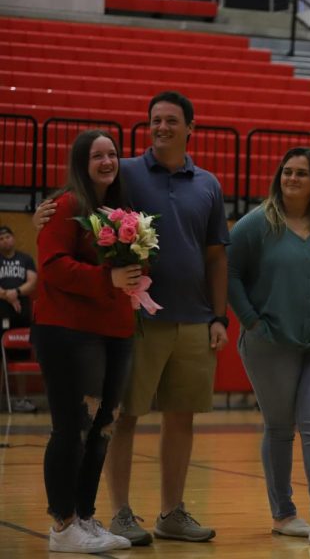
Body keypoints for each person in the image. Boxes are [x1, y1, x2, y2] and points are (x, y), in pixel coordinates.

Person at [34, 91, 230, 545]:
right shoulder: (126, 172)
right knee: (120, 417)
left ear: (190, 126)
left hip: (194, 319)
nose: (161, 127)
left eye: (170, 120)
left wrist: (219, 315)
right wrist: (45, 211)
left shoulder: (208, 183)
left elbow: (217, 255)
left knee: (179, 417)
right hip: (133, 319)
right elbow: (77, 199)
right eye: (154, 120)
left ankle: (171, 513)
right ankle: (117, 513)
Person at [227, 147, 310, 546]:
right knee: (280, 428)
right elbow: (230, 273)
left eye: (301, 173)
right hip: (270, 344)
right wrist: (250, 320)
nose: (291, 179)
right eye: (286, 171)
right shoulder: (255, 224)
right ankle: (284, 513)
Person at [32, 130, 143, 553]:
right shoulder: (65, 205)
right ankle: (62, 527)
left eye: (112, 153)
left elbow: (130, 264)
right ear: (81, 162)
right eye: (97, 155)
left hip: (115, 330)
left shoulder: (121, 210)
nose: (107, 161)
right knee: (73, 427)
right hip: (68, 332)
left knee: (103, 427)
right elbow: (53, 266)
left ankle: (84, 517)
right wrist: (107, 278)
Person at [0, 225, 38, 412]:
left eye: (7, 236)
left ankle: (22, 399)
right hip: (1, 313)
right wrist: (7, 295)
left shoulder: (25, 259)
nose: (5, 240)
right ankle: (3, 399)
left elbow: (32, 283)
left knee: (22, 356)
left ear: (13, 238)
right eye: (1, 238)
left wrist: (15, 292)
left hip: (22, 315)